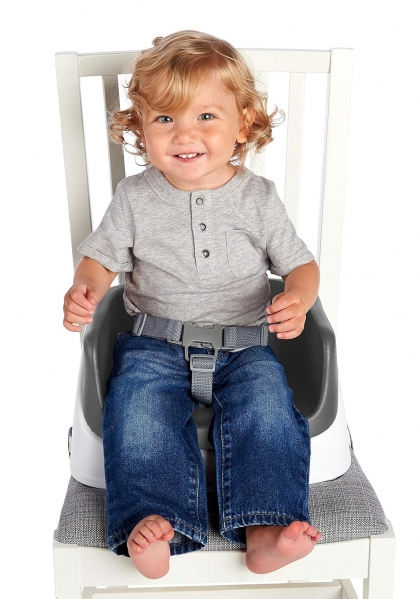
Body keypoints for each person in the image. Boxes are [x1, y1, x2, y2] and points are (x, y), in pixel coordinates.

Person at [62, 30, 322, 579]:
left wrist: (298, 297)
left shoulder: (258, 198)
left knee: (268, 410)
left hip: (245, 346)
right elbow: (99, 260)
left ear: (243, 125)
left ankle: (266, 530)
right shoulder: (134, 198)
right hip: (154, 345)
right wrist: (85, 286)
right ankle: (155, 523)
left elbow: (301, 266)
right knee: (138, 413)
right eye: (165, 119)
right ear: (140, 128)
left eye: (206, 116)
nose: (185, 134)